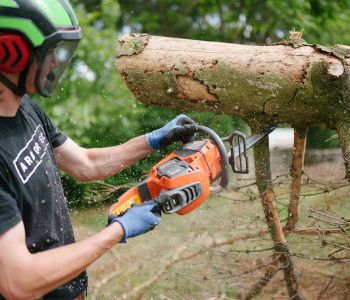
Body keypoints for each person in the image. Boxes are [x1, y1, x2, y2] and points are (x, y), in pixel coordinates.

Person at [0, 1, 196, 299]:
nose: (54, 63)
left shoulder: (26, 108)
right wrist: (118, 231)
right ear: (10, 52)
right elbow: (18, 281)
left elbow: (86, 164)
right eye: (49, 52)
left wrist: (153, 140)